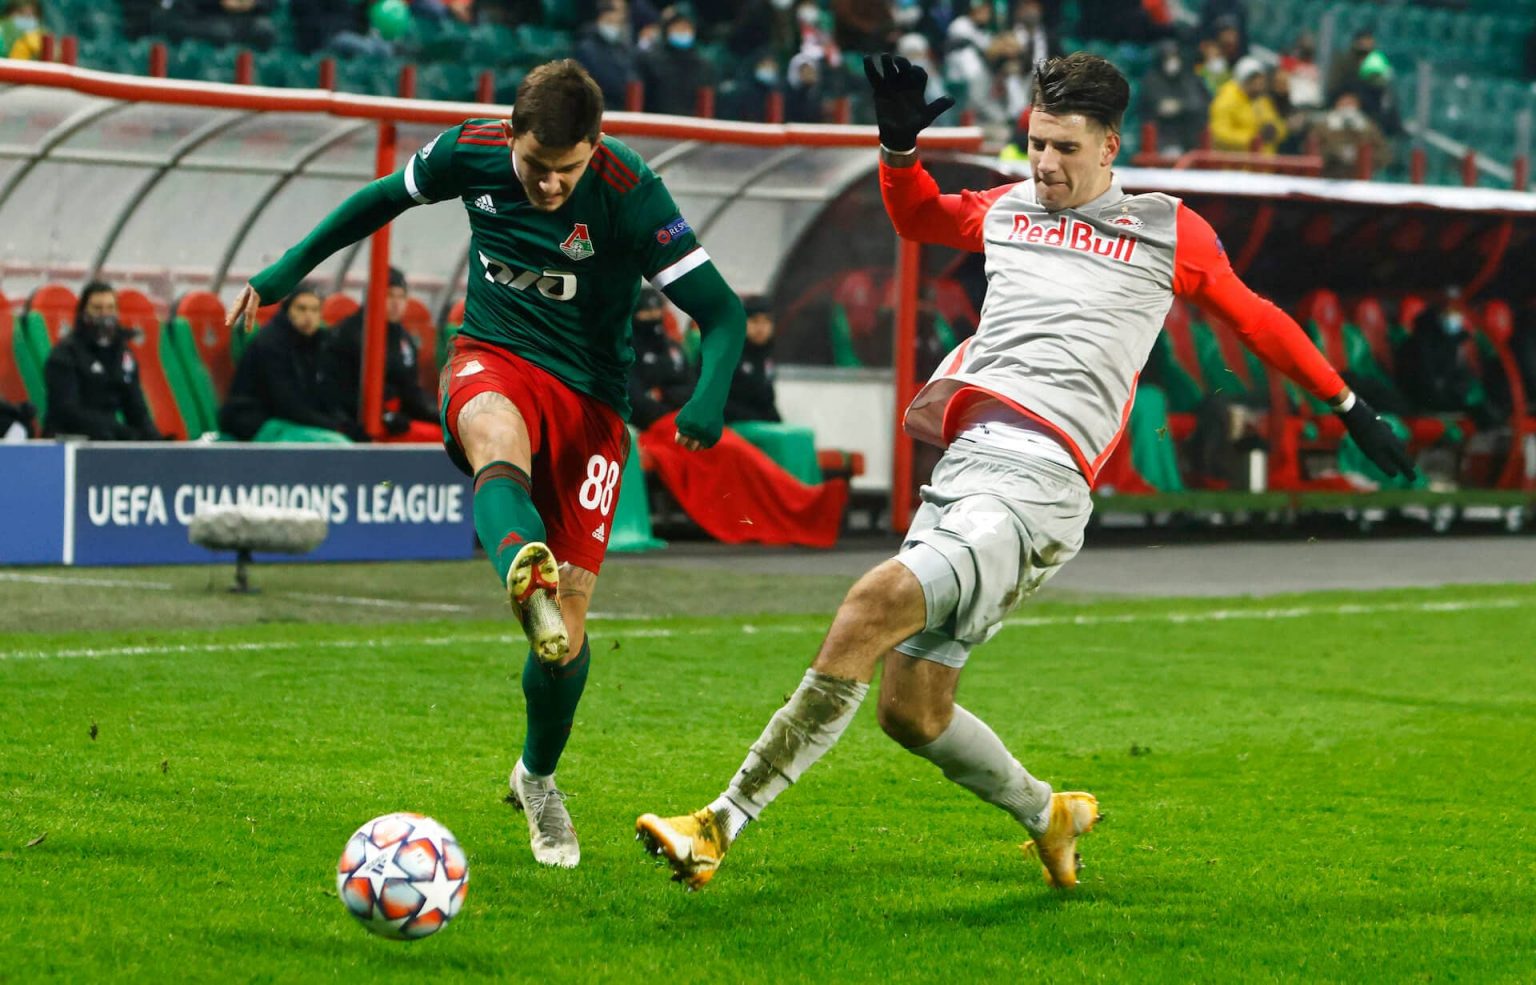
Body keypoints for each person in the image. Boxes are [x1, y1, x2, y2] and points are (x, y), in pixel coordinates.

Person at [635, 51, 1414, 891]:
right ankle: (1051, 815)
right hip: (966, 467)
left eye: (1066, 148)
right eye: (1037, 142)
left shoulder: (1167, 230)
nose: (1045, 163)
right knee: (911, 709)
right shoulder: (1009, 206)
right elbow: (918, 216)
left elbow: (1257, 321)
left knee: (870, 602)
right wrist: (899, 149)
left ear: (1110, 146)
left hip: (1040, 484)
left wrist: (1347, 407)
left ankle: (719, 821)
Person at [225, 60, 746, 869]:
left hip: (594, 408)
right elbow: (379, 200)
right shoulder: (469, 151)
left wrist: (708, 397)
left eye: (566, 170)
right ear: (511, 136)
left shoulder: (630, 191)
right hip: (493, 356)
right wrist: (283, 271)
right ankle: (522, 570)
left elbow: (721, 311)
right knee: (494, 435)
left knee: (566, 643)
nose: (548, 185)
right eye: (535, 166)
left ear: (595, 146)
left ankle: (536, 778)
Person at [219, 287, 366, 443]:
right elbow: (286, 402)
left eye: (315, 310)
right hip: (258, 423)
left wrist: (342, 422)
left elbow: (327, 393)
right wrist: (334, 426)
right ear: (288, 311)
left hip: (292, 421)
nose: (308, 316)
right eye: (301, 309)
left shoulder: (320, 343)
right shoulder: (271, 343)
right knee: (336, 444)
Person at [323, 268, 439, 443]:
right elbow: (340, 390)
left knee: (448, 435)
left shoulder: (403, 337)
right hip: (360, 423)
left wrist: (440, 416)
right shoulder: (349, 334)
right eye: (389, 296)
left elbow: (411, 391)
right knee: (441, 440)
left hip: (396, 420)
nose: (396, 303)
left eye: (401, 297)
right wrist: (384, 415)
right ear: (373, 296)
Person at [43, 282, 164, 441]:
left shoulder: (123, 355)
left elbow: (136, 409)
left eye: (110, 308)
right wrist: (120, 431)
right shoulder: (65, 354)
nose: (105, 315)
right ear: (83, 312)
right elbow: (66, 411)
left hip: (109, 438)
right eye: (97, 308)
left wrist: (157, 442)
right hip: (71, 440)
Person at [1138, 39, 1211, 155]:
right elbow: (1161, 109)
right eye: (1167, 58)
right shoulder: (1151, 80)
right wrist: (1181, 107)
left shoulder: (1187, 79)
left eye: (1174, 57)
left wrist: (1179, 106)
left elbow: (1198, 104)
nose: (1172, 62)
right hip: (1163, 138)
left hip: (1189, 136)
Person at [638, 11, 713, 115]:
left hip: (692, 121)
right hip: (657, 118)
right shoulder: (651, 60)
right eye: (678, 28)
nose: (682, 32)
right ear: (667, 31)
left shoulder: (703, 65)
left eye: (686, 28)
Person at [1209, 55, 1285, 154]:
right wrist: (1252, 139)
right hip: (1235, 161)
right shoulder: (1226, 100)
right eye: (1253, 78)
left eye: (1260, 78)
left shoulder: (1261, 101)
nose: (1258, 82)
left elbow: (1276, 124)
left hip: (1262, 161)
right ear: (1242, 79)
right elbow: (1219, 134)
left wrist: (1276, 130)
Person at [724, 295, 780, 423]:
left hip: (756, 423)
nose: (761, 328)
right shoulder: (726, 353)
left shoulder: (766, 356)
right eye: (755, 321)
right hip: (728, 423)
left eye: (767, 321)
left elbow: (767, 401)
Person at [574, 0, 640, 110]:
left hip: (622, 108)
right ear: (603, 15)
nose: (616, 25)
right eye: (611, 21)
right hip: (600, 108)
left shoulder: (623, 48)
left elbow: (633, 76)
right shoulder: (587, 48)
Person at [1316, 89, 1387, 179]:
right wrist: (1337, 153)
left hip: (1361, 176)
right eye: (1344, 104)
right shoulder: (1322, 127)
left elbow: (1384, 155)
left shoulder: (1368, 127)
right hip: (1329, 176)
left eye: (1351, 104)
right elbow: (1314, 153)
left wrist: (1359, 155)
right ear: (1337, 104)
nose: (1347, 108)